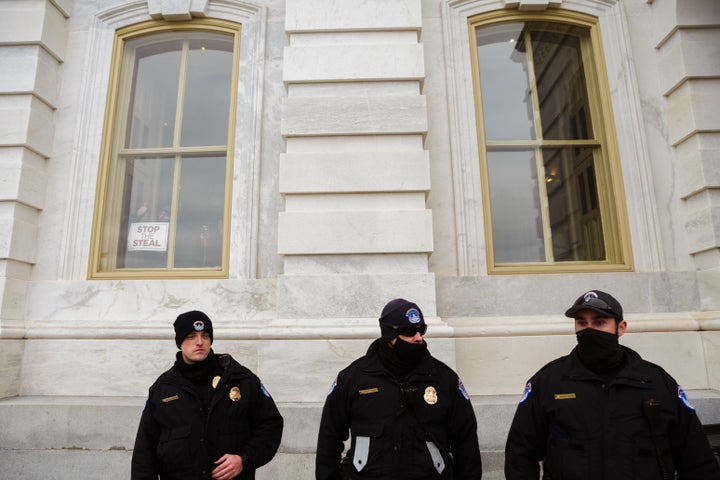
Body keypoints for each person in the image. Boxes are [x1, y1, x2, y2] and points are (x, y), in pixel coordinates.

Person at [504, 290, 720, 480]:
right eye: (582, 322)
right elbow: (520, 453)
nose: (589, 330)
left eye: (599, 322)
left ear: (621, 327)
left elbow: (695, 457)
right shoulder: (548, 381)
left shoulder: (657, 382)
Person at [315, 298, 483, 480]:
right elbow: (329, 440)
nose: (418, 337)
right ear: (389, 336)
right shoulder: (353, 379)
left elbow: (466, 444)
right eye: (410, 331)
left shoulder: (445, 380)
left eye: (421, 330)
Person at [132, 310, 284, 479]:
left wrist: (244, 458)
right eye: (191, 336)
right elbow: (144, 453)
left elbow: (271, 425)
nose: (199, 342)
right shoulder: (163, 389)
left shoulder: (240, 379)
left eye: (205, 336)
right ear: (179, 342)